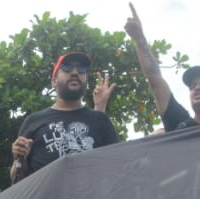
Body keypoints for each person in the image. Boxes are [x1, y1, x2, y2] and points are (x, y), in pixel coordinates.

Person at [10, 50, 119, 185]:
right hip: (47, 198)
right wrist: (19, 158)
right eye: (67, 67)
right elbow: (17, 182)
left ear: (86, 81)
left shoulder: (100, 120)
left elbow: (116, 168)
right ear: (54, 81)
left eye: (81, 69)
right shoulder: (33, 121)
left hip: (90, 198)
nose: (75, 72)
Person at [124, 5, 200, 131]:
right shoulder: (179, 122)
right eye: (192, 86)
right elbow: (154, 78)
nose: (197, 88)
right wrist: (139, 39)